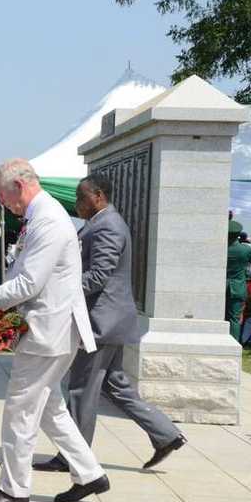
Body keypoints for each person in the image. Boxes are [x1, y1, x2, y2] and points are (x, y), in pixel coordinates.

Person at [0, 159, 108, 502]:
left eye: (2, 196)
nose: (3, 203)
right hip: (50, 327)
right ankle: (89, 474)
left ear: (19, 187)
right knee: (50, 407)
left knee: (19, 411)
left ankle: (14, 489)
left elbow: (29, 282)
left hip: (48, 330)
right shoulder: (41, 216)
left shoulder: (49, 220)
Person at [34, 176, 186, 474]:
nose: (77, 204)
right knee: (115, 386)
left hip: (101, 322)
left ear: (98, 196)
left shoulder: (108, 226)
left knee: (81, 388)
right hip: (110, 320)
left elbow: (99, 274)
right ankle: (166, 435)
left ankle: (72, 456)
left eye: (81, 198)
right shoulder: (100, 224)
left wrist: (60, 290)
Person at [225, 220, 251, 341]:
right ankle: (233, 343)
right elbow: (250, 269)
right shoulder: (247, 250)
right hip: (237, 287)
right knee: (234, 319)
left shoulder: (220, 249)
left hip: (220, 287)